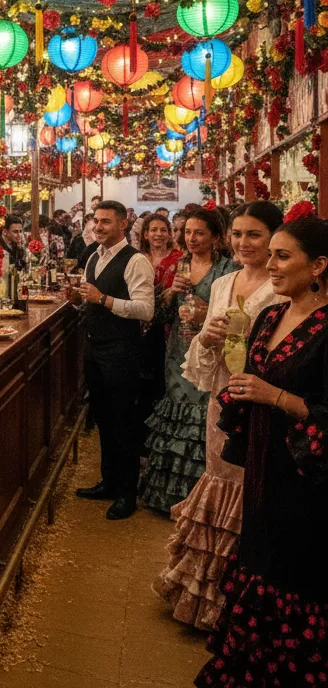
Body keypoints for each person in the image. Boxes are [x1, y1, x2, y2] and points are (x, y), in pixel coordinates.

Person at [195, 213, 328, 688]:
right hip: (262, 468)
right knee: (259, 562)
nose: (270, 264)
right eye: (268, 253)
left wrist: (278, 398)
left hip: (306, 479)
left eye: (281, 255)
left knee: (293, 576)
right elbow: (243, 376)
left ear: (318, 265)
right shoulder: (270, 317)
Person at [154, 202, 281, 631]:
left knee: (252, 488)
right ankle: (201, 592)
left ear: (275, 240)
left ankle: (242, 599)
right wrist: (206, 336)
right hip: (222, 399)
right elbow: (202, 360)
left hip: (262, 403)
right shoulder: (225, 282)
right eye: (239, 234)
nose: (244, 244)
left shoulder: (285, 286)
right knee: (219, 477)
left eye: (255, 235)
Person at [140, 208, 235, 515]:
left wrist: (205, 312)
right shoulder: (181, 264)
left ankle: (202, 501)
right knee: (176, 408)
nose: (191, 239)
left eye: (200, 233)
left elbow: (234, 316)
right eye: (188, 233)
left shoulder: (226, 270)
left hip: (210, 351)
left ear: (216, 237)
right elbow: (163, 316)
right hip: (177, 348)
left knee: (202, 414)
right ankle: (166, 495)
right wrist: (169, 294)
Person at [68, 201, 155, 520]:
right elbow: (91, 299)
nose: (99, 227)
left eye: (106, 222)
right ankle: (109, 480)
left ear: (123, 224)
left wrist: (103, 299)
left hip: (121, 349)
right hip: (94, 348)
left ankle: (126, 494)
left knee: (124, 422)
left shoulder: (136, 261)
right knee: (103, 417)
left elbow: (146, 309)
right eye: (96, 222)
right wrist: (80, 301)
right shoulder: (93, 256)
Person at [138, 213, 184, 439]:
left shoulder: (179, 259)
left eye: (163, 229)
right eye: (153, 230)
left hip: (168, 327)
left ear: (170, 234)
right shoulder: (137, 259)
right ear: (145, 234)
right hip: (140, 327)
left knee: (162, 379)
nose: (158, 234)